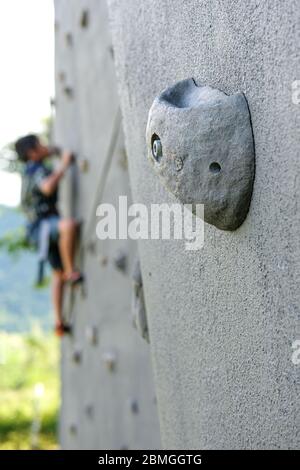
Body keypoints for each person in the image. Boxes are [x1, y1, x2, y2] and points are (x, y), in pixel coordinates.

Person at [15, 134, 83, 337]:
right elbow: (47, 187)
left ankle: (59, 322)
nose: (44, 145)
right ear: (32, 153)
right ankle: (72, 272)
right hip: (42, 225)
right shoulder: (34, 169)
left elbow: (50, 150)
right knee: (68, 226)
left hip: (40, 228)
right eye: (40, 144)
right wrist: (63, 165)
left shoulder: (30, 169)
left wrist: (54, 150)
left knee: (56, 274)